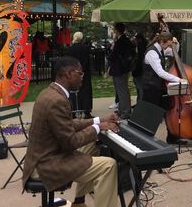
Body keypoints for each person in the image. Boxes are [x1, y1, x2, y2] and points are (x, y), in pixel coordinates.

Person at [22, 56, 120, 207]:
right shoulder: (57, 101)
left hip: (43, 157)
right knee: (109, 165)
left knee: (92, 145)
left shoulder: (49, 92)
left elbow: (67, 124)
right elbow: (70, 143)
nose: (82, 78)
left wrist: (98, 120)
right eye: (80, 74)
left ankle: (79, 202)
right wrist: (98, 128)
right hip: (45, 166)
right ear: (69, 74)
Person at [141, 32, 187, 143]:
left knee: (168, 109)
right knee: (151, 114)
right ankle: (146, 139)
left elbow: (173, 52)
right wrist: (178, 79)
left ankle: (172, 137)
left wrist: (176, 43)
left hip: (158, 86)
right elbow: (160, 72)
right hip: (150, 88)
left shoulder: (161, 48)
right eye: (168, 45)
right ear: (162, 42)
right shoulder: (152, 52)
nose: (168, 47)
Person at [107, 23, 134, 119]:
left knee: (122, 91)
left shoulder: (121, 41)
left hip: (119, 69)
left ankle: (125, 112)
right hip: (122, 68)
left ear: (117, 30)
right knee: (121, 90)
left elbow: (114, 55)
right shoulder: (124, 40)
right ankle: (122, 109)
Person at [64, 32, 94, 117]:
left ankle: (73, 110)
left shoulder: (70, 49)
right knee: (85, 91)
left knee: (73, 91)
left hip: (73, 72)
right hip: (84, 72)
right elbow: (87, 60)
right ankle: (86, 111)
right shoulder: (85, 48)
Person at [132, 33, 147, 101]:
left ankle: (140, 102)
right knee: (140, 88)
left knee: (140, 88)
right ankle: (139, 101)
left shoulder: (140, 48)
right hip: (140, 70)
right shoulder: (140, 47)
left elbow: (139, 60)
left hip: (139, 71)